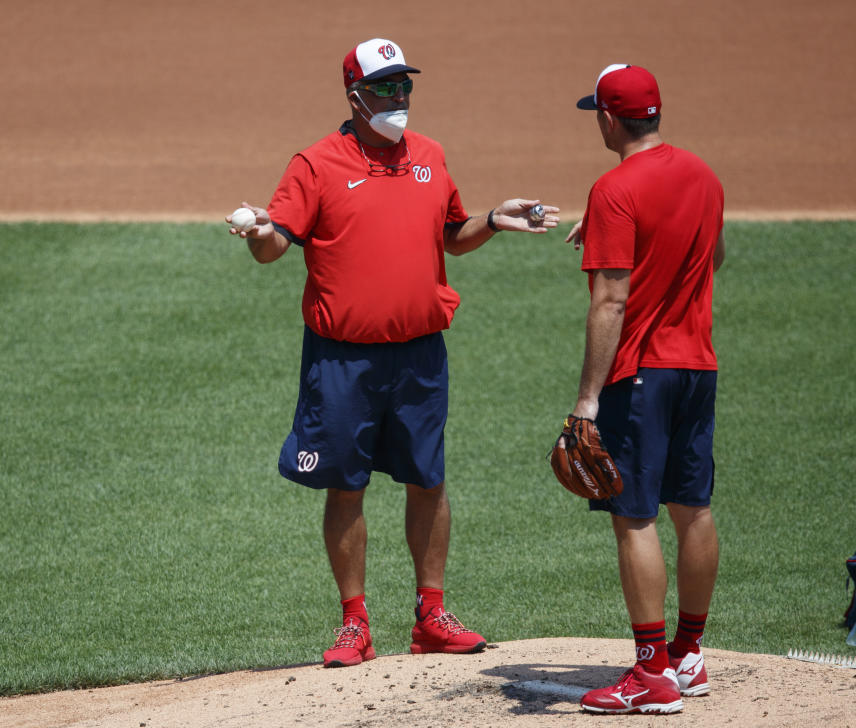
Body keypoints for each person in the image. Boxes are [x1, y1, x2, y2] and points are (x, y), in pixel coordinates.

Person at [226, 38, 558, 668]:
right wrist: (255, 232)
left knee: (427, 480)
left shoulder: (429, 156)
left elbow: (451, 237)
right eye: (384, 87)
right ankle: (355, 624)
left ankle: (431, 614)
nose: (398, 97)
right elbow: (275, 247)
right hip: (342, 361)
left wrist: (491, 218)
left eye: (404, 85)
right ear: (353, 94)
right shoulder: (315, 163)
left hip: (420, 356)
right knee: (345, 487)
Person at [563, 64, 725, 715]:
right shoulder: (703, 176)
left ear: (609, 118)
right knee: (695, 508)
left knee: (634, 517)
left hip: (642, 372)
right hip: (698, 366)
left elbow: (611, 300)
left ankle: (652, 673)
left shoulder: (614, 188)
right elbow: (710, 255)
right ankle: (689, 654)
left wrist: (587, 401)